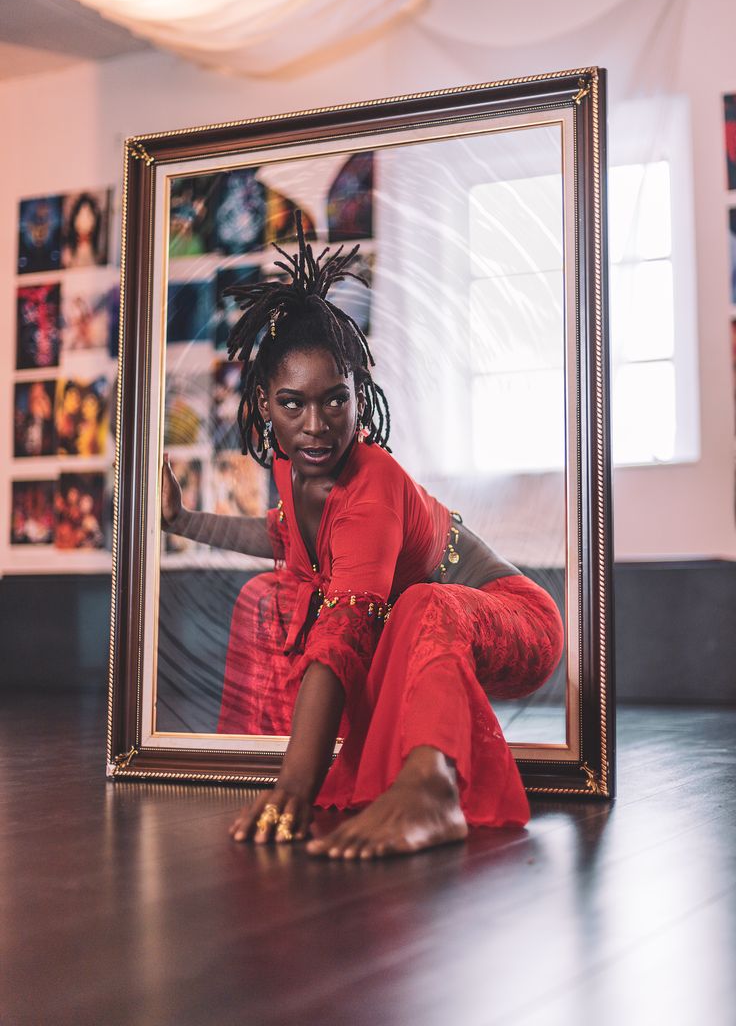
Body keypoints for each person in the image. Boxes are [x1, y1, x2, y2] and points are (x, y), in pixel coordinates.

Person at [162, 212, 564, 860]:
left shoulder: (371, 480)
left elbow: (348, 626)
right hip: (410, 628)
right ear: (265, 404)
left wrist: (298, 785)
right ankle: (262, 761)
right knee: (272, 595)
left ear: (360, 393)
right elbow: (285, 537)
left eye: (336, 400)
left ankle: (430, 785)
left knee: (415, 603)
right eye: (294, 404)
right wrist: (182, 522)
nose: (317, 423)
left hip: (513, 621)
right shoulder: (298, 467)